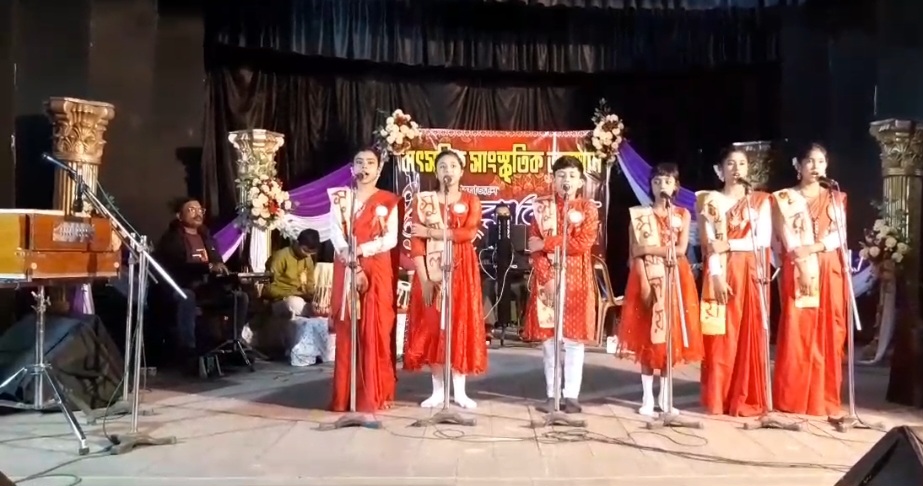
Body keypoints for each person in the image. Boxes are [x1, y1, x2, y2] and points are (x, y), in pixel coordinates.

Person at [403, 149, 486, 409]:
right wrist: (424, 279)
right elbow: (416, 242)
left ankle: (459, 391)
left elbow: (468, 233)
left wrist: (431, 232)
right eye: (442, 166)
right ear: (436, 172)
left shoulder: (471, 200)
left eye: (452, 166)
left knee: (458, 324)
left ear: (461, 171)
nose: (447, 170)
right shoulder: (424, 201)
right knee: (433, 326)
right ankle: (438, 390)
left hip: (461, 269)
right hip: (430, 270)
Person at [618, 163, 703, 417]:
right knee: (648, 335)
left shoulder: (682, 215)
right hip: (646, 276)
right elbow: (635, 253)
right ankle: (647, 398)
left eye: (667, 181)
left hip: (675, 279)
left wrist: (649, 249)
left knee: (669, 336)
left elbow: (680, 250)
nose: (661, 185)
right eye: (657, 181)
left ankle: (666, 398)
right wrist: (643, 280)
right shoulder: (640, 216)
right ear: (651, 186)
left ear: (675, 186)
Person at [771, 143, 848, 418]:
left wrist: (814, 248)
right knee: (799, 330)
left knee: (830, 330)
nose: (816, 167)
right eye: (810, 161)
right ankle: (794, 397)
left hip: (828, 268)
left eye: (821, 161)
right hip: (799, 267)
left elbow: (839, 235)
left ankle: (823, 397)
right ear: (799, 165)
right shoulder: (784, 199)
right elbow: (786, 238)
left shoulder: (835, 197)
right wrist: (803, 260)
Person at [521, 155, 599, 414]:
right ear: (553, 179)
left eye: (572, 175)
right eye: (561, 175)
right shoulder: (541, 208)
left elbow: (582, 244)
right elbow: (534, 246)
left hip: (578, 279)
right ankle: (552, 394)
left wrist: (547, 243)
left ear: (580, 181)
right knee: (550, 341)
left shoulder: (588, 208)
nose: (567, 180)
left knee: (574, 340)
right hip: (548, 279)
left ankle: (571, 396)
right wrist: (547, 279)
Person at [697, 148, 772, 416]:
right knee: (721, 336)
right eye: (730, 163)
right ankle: (719, 397)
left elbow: (761, 240)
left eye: (741, 163)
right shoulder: (712, 201)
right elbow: (711, 244)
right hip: (721, 271)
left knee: (748, 334)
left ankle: (745, 394)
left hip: (750, 272)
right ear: (721, 170)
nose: (737, 168)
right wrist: (716, 276)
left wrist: (729, 243)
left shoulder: (759, 202)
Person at [328, 149, 401, 413]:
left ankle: (374, 393)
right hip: (346, 264)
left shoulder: (388, 200)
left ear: (379, 169)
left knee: (376, 330)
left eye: (370, 163)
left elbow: (390, 239)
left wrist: (360, 250)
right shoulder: (341, 199)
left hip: (376, 267)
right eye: (359, 162)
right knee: (349, 330)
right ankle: (345, 396)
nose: (364, 167)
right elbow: (335, 233)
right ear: (352, 169)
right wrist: (350, 256)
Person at [153, 197, 249, 364]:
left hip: (207, 289)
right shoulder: (171, 239)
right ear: (179, 216)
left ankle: (231, 344)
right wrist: (208, 267)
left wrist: (225, 272)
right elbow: (178, 267)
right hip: (180, 286)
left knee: (240, 297)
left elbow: (217, 263)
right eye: (191, 210)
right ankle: (188, 350)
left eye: (200, 210)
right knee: (187, 297)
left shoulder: (207, 237)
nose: (197, 213)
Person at [265, 229, 321, 317]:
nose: (308, 255)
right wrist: (292, 293)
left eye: (311, 253)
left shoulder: (308, 259)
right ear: (297, 243)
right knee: (294, 303)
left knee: (320, 305)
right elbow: (268, 289)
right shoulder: (280, 257)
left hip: (301, 300)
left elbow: (310, 285)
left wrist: (314, 296)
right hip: (280, 301)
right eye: (305, 250)